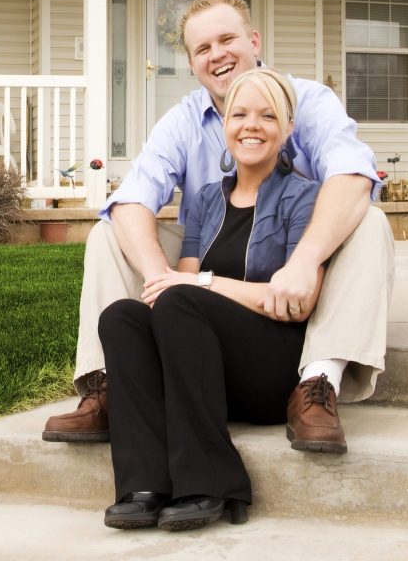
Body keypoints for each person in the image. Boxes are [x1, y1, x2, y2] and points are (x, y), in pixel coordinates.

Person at [42, 0, 393, 455]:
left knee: (369, 222)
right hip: (206, 276)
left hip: (295, 275)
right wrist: (160, 282)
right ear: (191, 63)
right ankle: (110, 387)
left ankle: (316, 385)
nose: (218, 55)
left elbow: (353, 174)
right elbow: (132, 198)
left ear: (254, 39)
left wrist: (305, 261)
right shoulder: (183, 121)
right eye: (203, 49)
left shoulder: (307, 100)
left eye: (227, 39)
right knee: (110, 232)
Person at [100, 68, 316, 530]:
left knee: (182, 299)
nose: (251, 125)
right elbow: (184, 287)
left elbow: (296, 303)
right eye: (239, 114)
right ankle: (145, 484)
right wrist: (189, 287)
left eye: (267, 115)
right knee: (121, 317)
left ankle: (213, 481)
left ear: (288, 129)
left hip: (270, 367)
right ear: (225, 126)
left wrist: (201, 286)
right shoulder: (203, 199)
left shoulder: (304, 198)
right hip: (205, 370)